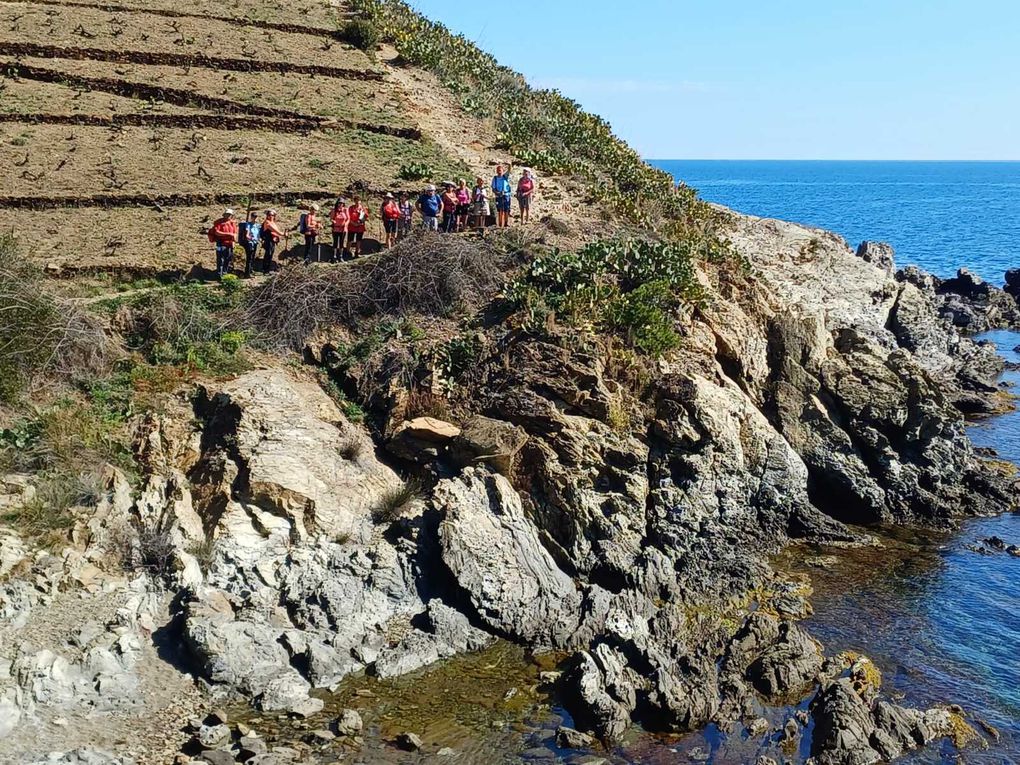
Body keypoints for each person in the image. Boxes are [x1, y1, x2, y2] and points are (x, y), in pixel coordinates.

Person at [207, 208, 238, 278]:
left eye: (229, 215)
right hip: (221, 243)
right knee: (220, 259)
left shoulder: (232, 223)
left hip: (229, 244)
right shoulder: (219, 222)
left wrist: (233, 241)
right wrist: (229, 234)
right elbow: (217, 232)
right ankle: (219, 274)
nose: (228, 216)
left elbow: (235, 233)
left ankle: (224, 273)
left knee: (228, 259)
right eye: (227, 214)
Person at [260, 209, 283, 273]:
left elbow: (276, 231)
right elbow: (274, 230)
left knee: (270, 254)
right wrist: (282, 234)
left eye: (272, 215)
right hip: (268, 240)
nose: (270, 216)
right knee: (268, 254)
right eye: (269, 215)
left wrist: (278, 236)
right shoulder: (267, 222)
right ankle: (265, 269)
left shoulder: (273, 223)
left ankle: (268, 268)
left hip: (272, 240)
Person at [238, 211, 261, 277]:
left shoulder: (257, 225)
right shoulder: (248, 225)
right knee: (249, 257)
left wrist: (259, 240)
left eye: (256, 216)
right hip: (249, 243)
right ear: (251, 217)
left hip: (255, 243)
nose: (255, 218)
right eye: (254, 216)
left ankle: (250, 271)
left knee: (252, 257)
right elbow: (247, 234)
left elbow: (258, 234)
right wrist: (251, 238)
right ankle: (247, 273)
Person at [491, 163, 513, 228]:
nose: (499, 171)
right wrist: (498, 193)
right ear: (496, 171)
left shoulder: (505, 176)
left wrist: (509, 164)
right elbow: (493, 188)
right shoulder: (494, 178)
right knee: (500, 210)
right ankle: (500, 223)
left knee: (507, 209)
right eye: (498, 170)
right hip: (499, 195)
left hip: (506, 195)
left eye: (500, 170)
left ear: (503, 171)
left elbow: (509, 170)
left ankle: (506, 223)